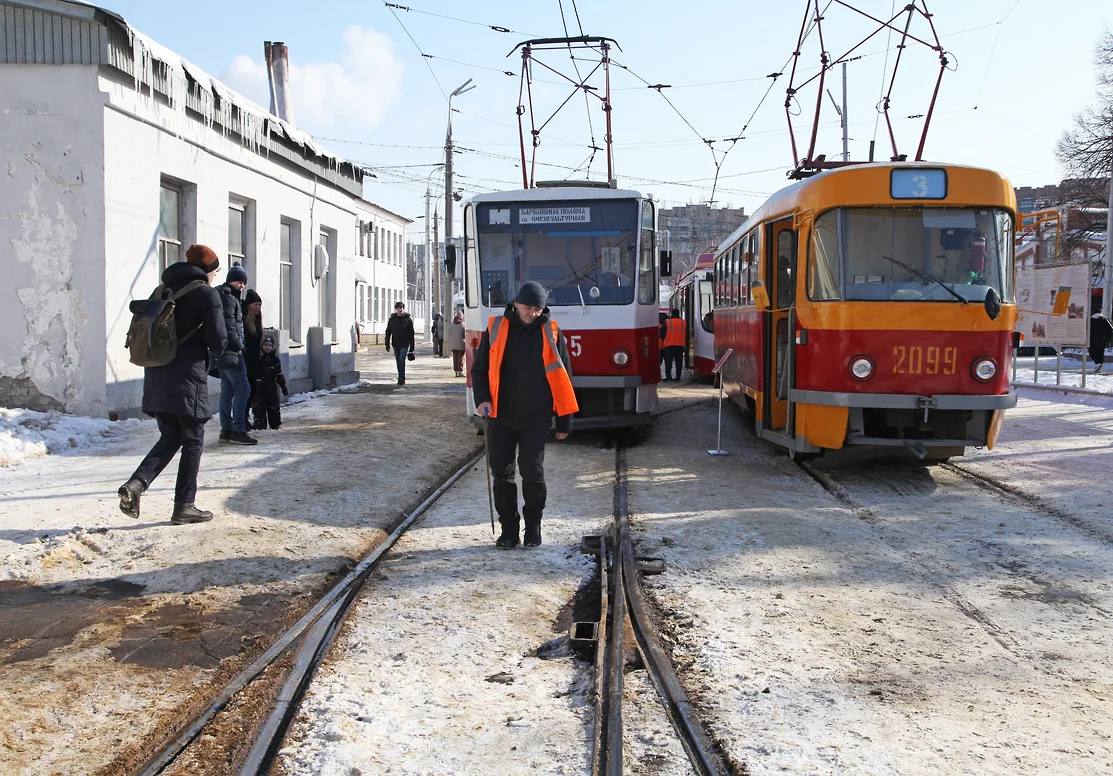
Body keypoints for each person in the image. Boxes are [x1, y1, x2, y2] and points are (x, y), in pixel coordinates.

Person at [117, 244, 227, 524]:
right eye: (215, 271)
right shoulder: (206, 294)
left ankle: (136, 484)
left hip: (156, 375)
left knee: (170, 436)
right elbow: (218, 340)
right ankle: (184, 506)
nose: (215, 276)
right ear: (207, 270)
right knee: (193, 439)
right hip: (187, 378)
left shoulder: (163, 290)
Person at [472, 281, 578, 549]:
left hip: (536, 417)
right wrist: (482, 400)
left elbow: (564, 377)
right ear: (516, 304)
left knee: (533, 473)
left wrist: (564, 420)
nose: (532, 313)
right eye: (528, 307)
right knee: (502, 474)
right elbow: (479, 369)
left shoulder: (551, 332)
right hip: (500, 416)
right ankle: (509, 530)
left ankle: (533, 527)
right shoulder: (495, 328)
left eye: (537, 308)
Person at [215, 262, 256, 444]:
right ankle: (238, 429)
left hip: (222, 351)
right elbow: (230, 325)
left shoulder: (224, 296)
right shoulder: (229, 299)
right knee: (243, 389)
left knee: (227, 390)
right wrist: (239, 345)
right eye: (239, 281)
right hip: (231, 351)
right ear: (230, 281)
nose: (241, 285)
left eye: (243, 282)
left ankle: (226, 429)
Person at [252, 333, 289, 429]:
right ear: (261, 346)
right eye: (265, 345)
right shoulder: (258, 359)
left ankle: (275, 424)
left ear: (273, 347)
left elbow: (279, 375)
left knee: (273, 408)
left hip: (271, 388)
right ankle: (260, 425)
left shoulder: (275, 360)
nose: (267, 347)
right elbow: (253, 373)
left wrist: (283, 386)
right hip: (259, 388)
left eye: (270, 345)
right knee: (259, 407)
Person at [242, 288, 263, 427]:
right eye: (256, 305)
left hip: (255, 360)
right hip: (247, 360)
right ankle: (242, 417)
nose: (258, 308)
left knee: (253, 390)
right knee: (246, 390)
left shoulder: (257, 318)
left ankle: (245, 416)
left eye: (260, 305)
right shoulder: (245, 319)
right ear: (249, 305)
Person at [385, 301, 416, 385]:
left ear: (403, 309)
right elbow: (388, 331)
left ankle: (401, 378)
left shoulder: (408, 319)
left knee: (402, 360)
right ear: (396, 309)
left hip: (405, 344)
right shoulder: (392, 319)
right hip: (395, 344)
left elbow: (411, 333)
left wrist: (412, 347)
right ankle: (400, 376)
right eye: (398, 308)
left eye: (401, 308)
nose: (400, 309)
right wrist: (387, 343)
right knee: (398, 361)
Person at [662, 308, 686, 382]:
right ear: (678, 314)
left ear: (672, 314)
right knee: (679, 362)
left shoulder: (667, 322)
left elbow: (662, 334)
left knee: (668, 362)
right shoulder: (683, 322)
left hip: (669, 345)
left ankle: (668, 377)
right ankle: (678, 377)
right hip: (680, 345)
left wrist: (665, 339)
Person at [446, 309, 467, 377]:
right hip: (461, 344)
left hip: (453, 345)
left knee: (455, 358)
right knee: (461, 358)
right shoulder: (463, 325)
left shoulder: (452, 325)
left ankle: (456, 371)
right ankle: (460, 371)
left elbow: (449, 334)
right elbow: (464, 335)